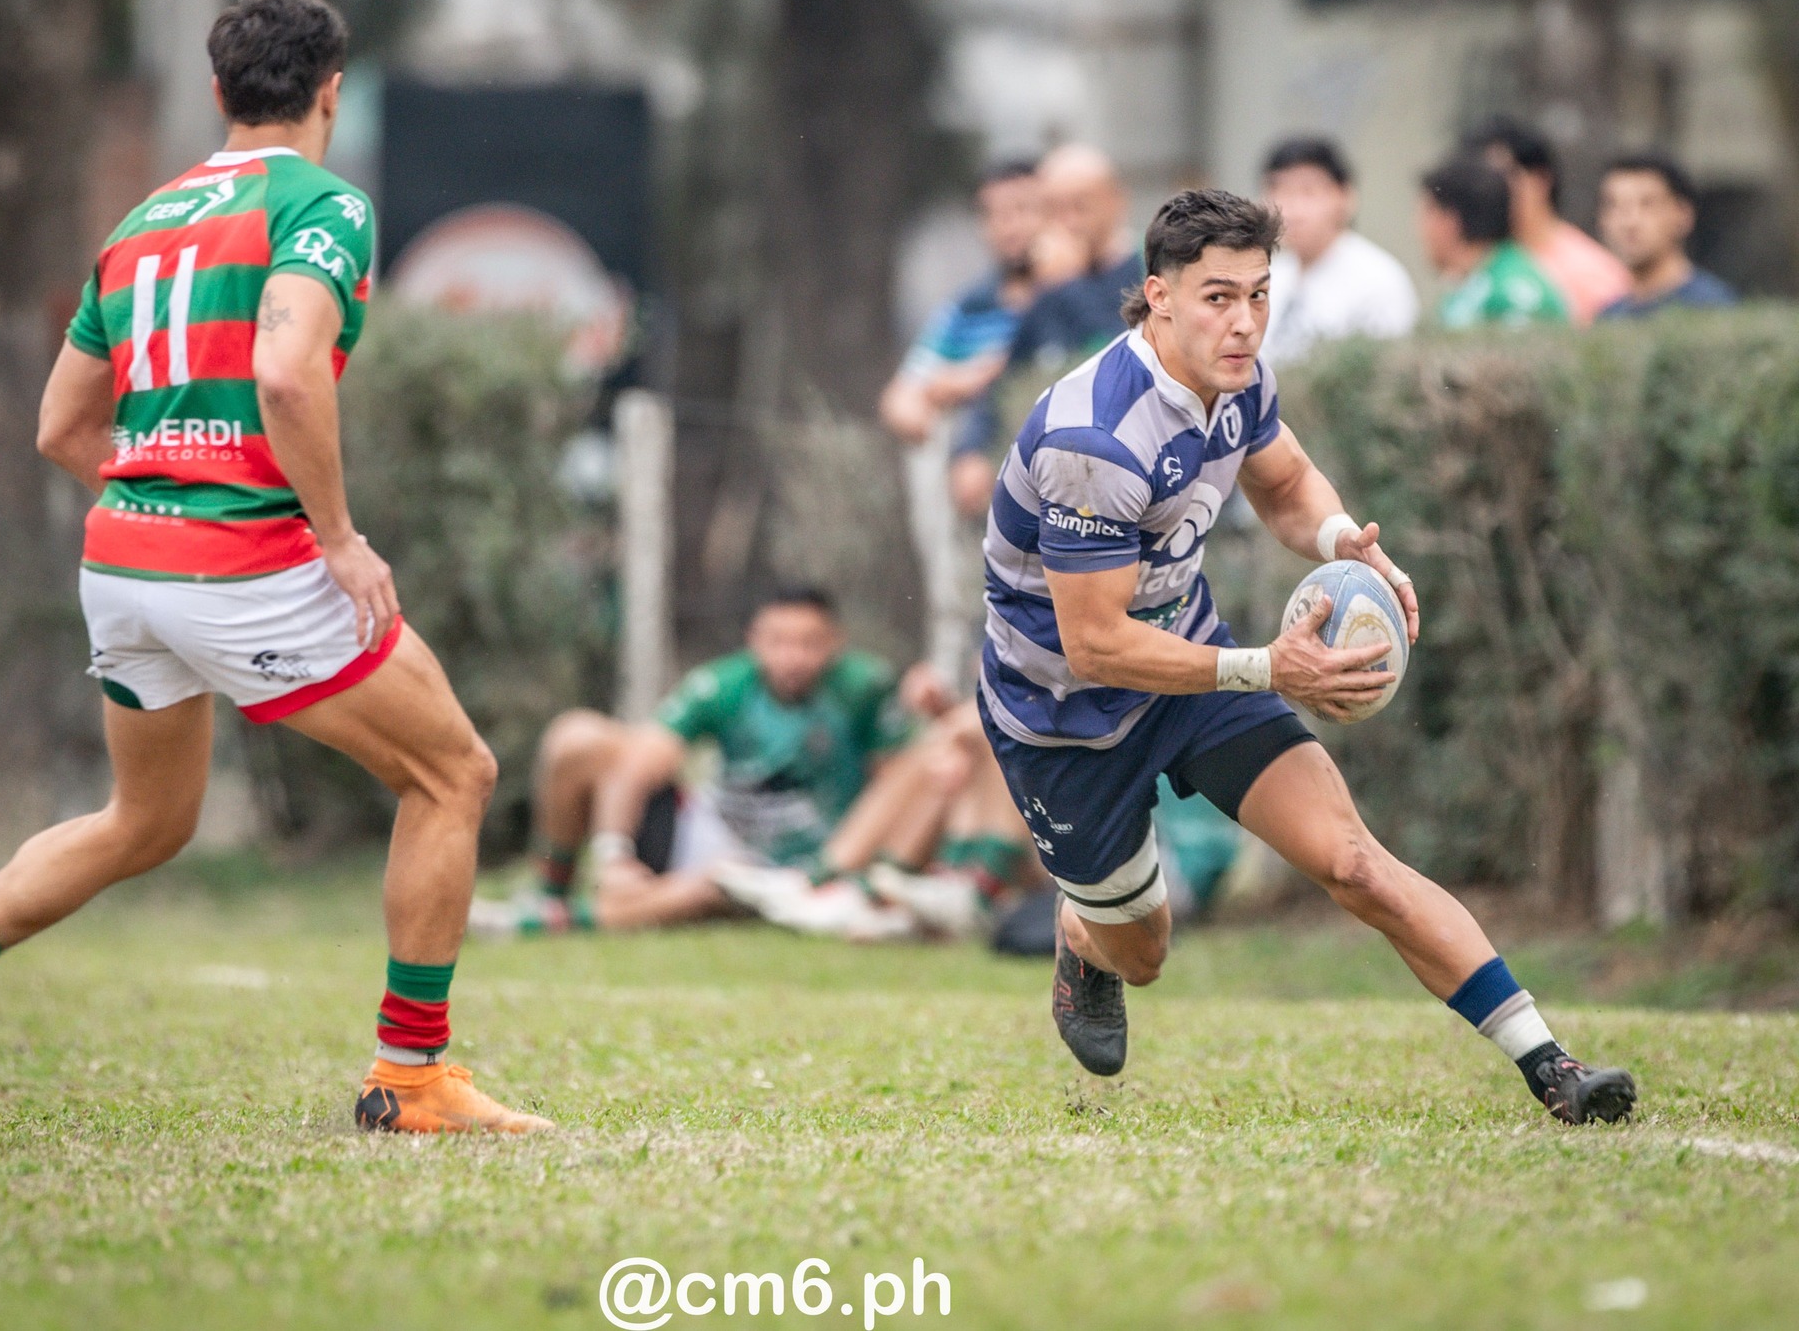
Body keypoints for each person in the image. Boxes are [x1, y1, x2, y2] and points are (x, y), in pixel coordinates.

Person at [0, 0, 550, 1139]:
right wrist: (339, 541)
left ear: (216, 93)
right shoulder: (324, 205)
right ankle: (410, 1080)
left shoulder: (141, 220)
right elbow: (285, 371)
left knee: (143, 821)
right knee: (452, 774)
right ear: (331, 92)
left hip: (120, 563)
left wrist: (162, 486)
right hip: (244, 563)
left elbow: (63, 428)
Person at [979, 187, 1636, 1125]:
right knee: (1145, 952)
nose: (1243, 322)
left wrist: (1347, 546)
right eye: (1217, 297)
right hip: (1063, 715)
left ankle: (1552, 1067)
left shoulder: (1239, 376)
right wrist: (1268, 668)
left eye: (1258, 294)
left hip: (1193, 667)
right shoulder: (1096, 440)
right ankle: (1084, 937)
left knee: (1355, 864)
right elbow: (1097, 643)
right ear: (1157, 296)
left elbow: (1284, 482)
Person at [483, 587, 1013, 939]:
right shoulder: (725, 682)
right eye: (780, 642)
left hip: (805, 861)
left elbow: (905, 782)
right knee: (577, 736)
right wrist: (615, 854)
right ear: (755, 642)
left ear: (834, 644)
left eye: (809, 643)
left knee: (714, 887)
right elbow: (644, 759)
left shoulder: (864, 687)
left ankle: (544, 922)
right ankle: (550, 887)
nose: (794, 657)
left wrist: (939, 717)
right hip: (716, 830)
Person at [950, 143, 1145, 516]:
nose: (1067, 223)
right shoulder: (1048, 289)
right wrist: (970, 450)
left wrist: (1068, 284)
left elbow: (1118, 356)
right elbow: (1009, 374)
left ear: (1117, 201)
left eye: (1080, 206)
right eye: (1053, 210)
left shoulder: (1150, 271)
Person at [879, 158, 1045, 449]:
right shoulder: (970, 308)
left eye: (1023, 209)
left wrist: (975, 379)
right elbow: (903, 396)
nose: (1010, 227)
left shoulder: (1075, 293)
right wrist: (925, 401)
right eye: (994, 215)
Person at [1258, 136, 1418, 363]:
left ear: (1345, 197)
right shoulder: (1270, 275)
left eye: (1308, 191)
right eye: (1279, 190)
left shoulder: (1377, 280)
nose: (1292, 208)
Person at [1463, 118, 1631, 326]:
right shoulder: (1482, 262)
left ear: (1540, 180)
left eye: (1501, 177)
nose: (1488, 190)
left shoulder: (1589, 272)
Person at [1418, 157, 1568, 329]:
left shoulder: (1507, 296)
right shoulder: (1469, 287)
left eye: (1426, 214)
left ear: (1450, 221)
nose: (1420, 231)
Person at [1594, 152, 1738, 319]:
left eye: (1647, 204)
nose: (1629, 222)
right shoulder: (1608, 318)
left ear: (1683, 215)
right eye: (1615, 206)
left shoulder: (1713, 309)